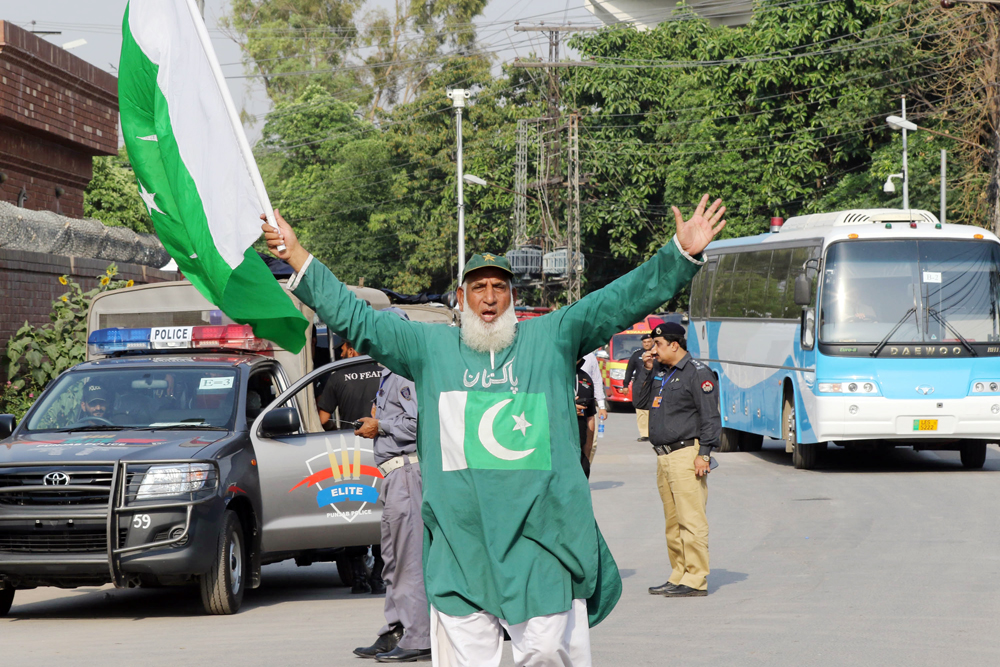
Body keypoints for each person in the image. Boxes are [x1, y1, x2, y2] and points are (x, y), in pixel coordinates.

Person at [264, 194, 725, 666]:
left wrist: (679, 256)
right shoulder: (428, 346)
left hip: (540, 539)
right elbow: (356, 318)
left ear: (513, 296)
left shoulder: (553, 336)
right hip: (461, 544)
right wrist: (298, 256)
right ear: (461, 297)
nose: (488, 297)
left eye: (499, 287)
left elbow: (617, 300)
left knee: (547, 652)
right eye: (478, 287)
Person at [352, 307, 430, 663]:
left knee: (410, 559)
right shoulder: (389, 374)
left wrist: (380, 426)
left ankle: (418, 636)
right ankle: (396, 629)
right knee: (394, 559)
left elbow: (419, 424)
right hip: (393, 476)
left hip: (407, 473)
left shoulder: (405, 373)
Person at [643, 321, 722, 598]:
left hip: (687, 454)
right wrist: (647, 369)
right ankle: (679, 573)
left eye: (659, 345)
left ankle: (696, 578)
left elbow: (710, 416)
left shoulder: (697, 373)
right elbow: (640, 402)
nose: (654, 350)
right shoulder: (662, 373)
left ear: (674, 345)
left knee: (692, 519)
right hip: (664, 457)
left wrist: (704, 454)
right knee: (673, 522)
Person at [316, 338, 385, 595]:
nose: (342, 353)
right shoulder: (383, 372)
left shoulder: (335, 377)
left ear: (351, 349)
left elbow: (324, 418)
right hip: (382, 448)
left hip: (351, 450)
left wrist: (338, 430)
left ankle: (359, 578)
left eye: (343, 348)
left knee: (353, 510)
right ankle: (379, 576)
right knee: (381, 513)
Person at [317, 338, 382, 431]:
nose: (341, 354)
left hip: (351, 440)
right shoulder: (385, 375)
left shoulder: (337, 377)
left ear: (351, 351)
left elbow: (323, 420)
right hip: (381, 438)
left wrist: (335, 431)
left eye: (343, 350)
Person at [624, 334, 655, 441]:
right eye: (644, 342)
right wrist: (625, 385)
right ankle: (645, 434)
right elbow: (629, 370)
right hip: (641, 385)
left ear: (653, 342)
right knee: (641, 408)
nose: (647, 344)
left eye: (649, 342)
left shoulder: (658, 354)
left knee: (655, 407)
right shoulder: (637, 355)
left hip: (655, 384)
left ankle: (654, 432)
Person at [580, 352, 607, 463]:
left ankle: (585, 471)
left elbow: (596, 380)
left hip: (588, 406)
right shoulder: (564, 352)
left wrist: (601, 406)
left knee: (591, 443)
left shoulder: (589, 356)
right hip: (568, 407)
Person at [575, 358, 598, 478]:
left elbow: (590, 416)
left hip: (580, 450)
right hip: (556, 451)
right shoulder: (551, 376)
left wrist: (587, 451)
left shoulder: (585, 378)